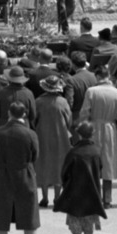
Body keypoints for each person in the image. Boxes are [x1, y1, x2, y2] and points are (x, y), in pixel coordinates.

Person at [0, 99, 42, 234]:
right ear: (24, 114)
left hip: (3, 174)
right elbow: (35, 156)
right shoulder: (31, 134)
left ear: (9, 113)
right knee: (29, 215)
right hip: (25, 174)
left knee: (1, 215)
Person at [58, 120, 109, 234]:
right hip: (92, 192)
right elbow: (100, 168)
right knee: (89, 223)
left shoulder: (73, 152)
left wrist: (66, 185)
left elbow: (64, 173)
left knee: (75, 223)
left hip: (75, 192)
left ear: (79, 135)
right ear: (92, 134)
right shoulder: (97, 151)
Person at [79, 65, 117, 207]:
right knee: (108, 162)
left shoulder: (91, 91)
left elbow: (84, 112)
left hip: (93, 128)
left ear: (98, 76)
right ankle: (107, 198)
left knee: (93, 162)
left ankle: (94, 197)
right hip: (110, 128)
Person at [34, 74, 73, 209]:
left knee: (43, 165)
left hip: (42, 136)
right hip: (60, 136)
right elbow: (69, 120)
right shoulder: (63, 102)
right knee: (58, 165)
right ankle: (57, 197)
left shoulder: (38, 101)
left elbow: (34, 120)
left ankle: (44, 198)